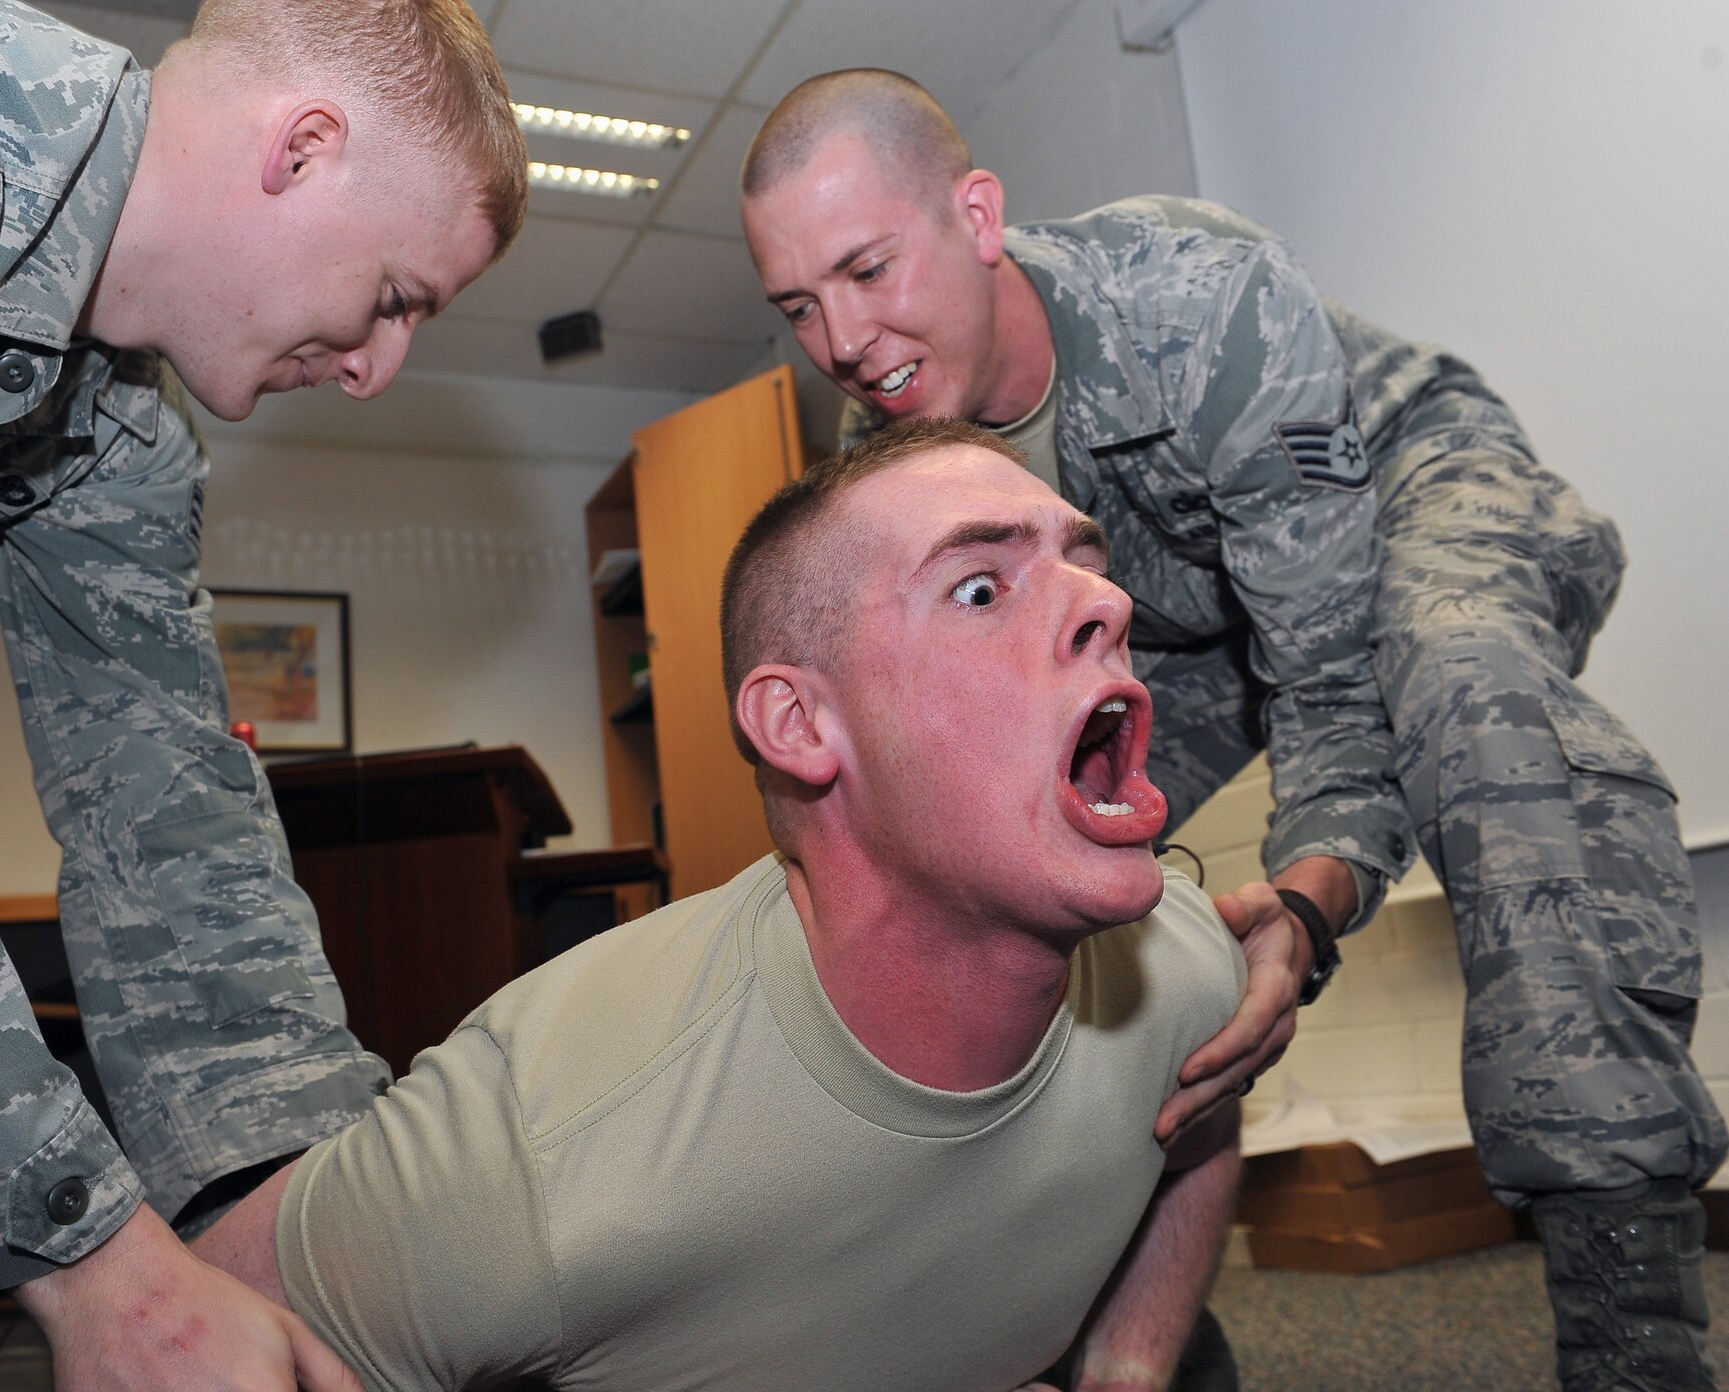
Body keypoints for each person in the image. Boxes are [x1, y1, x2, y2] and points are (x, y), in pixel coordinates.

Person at [739, 67, 1726, 1392]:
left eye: (866, 269)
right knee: (995, 851)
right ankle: (1120, 1335)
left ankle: (1634, 1340)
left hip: (1412, 494)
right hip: (1198, 625)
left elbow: (1329, 672)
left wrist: (1308, 914)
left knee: (1464, 682)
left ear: (975, 215)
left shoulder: (1194, 297)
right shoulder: (896, 457)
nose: (844, 339)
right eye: (799, 305)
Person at [0, 0, 526, 1386]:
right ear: (304, 152)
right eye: (398, 297)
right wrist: (101, 1265)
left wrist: (302, 1210)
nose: (374, 369)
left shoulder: (121, 430)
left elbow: (169, 823)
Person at [192, 417, 1246, 1392]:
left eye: (1084, 568)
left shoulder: (1184, 964)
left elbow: (1199, 1128)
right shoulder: (537, 1146)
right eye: (978, 589)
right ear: (797, 724)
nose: (1107, 607)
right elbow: (192, 1335)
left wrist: (1124, 1372)